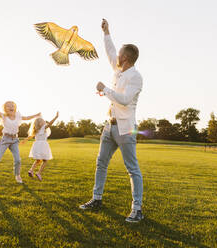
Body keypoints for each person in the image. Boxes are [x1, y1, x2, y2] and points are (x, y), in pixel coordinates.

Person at [79, 19, 144, 223]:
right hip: (109, 127)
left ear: (125, 58)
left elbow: (124, 100)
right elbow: (109, 51)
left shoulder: (136, 77)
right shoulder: (118, 70)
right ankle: (96, 199)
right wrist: (107, 32)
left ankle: (137, 209)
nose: (117, 56)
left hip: (126, 130)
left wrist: (104, 89)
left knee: (132, 169)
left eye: (120, 54)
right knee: (101, 163)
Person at [0, 94, 41, 184]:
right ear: (5, 109)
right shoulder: (3, 116)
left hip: (14, 140)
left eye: (12, 105)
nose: (11, 107)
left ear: (15, 108)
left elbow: (27, 118)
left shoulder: (18, 116)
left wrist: (36, 115)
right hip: (5, 139)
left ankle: (17, 175)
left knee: (18, 160)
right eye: (8, 106)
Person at [22, 112, 59, 181]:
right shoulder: (43, 128)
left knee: (38, 160)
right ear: (40, 123)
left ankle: (31, 170)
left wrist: (25, 140)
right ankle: (39, 173)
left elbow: (30, 136)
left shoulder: (35, 130)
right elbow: (50, 123)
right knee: (45, 160)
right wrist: (56, 117)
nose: (44, 121)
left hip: (36, 145)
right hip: (43, 145)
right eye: (43, 121)